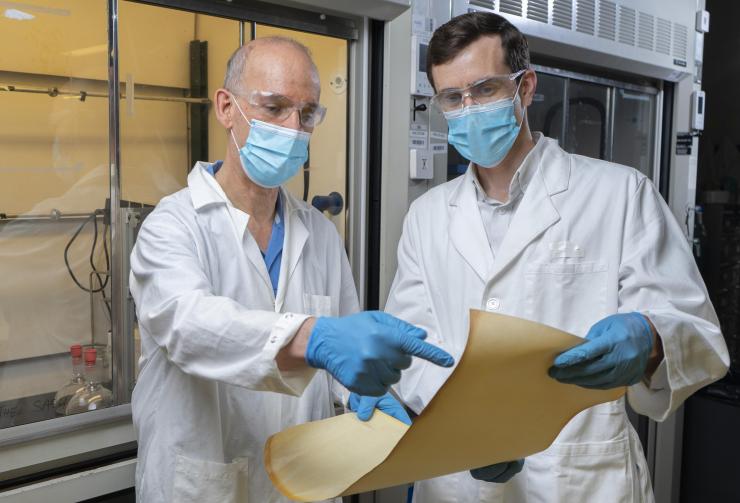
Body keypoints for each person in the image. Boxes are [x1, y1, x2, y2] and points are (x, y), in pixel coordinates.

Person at [357, 12, 729, 503]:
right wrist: (465, 430)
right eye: (452, 98)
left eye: (485, 90)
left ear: (525, 87)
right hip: (458, 479)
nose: (467, 109)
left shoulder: (620, 194)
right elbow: (416, 349)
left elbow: (698, 331)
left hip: (580, 475)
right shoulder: (427, 216)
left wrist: (652, 337)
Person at [129, 37, 453, 503]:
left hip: (305, 485)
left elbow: (342, 360)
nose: (293, 128)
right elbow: (189, 326)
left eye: (307, 114)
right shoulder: (173, 226)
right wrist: (314, 338)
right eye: (275, 107)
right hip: (204, 485)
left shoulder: (318, 235)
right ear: (226, 107)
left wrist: (372, 396)